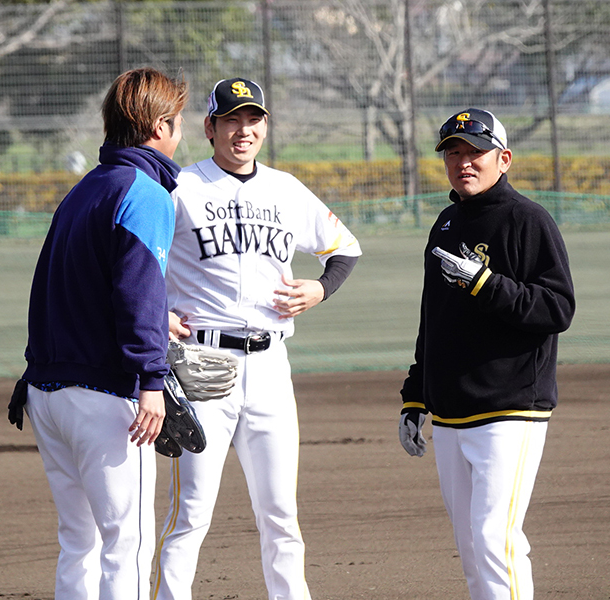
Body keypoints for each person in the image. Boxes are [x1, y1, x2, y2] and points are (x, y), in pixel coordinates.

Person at [151, 77, 362, 600]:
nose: (243, 130)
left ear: (264, 126)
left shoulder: (286, 189)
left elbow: (345, 248)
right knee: (191, 512)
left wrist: (320, 287)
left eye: (253, 119)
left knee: (280, 513)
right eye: (231, 120)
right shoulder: (180, 188)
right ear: (210, 127)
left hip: (270, 367)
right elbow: (135, 264)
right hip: (201, 363)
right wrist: (155, 315)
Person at [14, 67, 188, 600]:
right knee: (126, 545)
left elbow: (73, 289)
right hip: (106, 398)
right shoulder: (145, 192)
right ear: (159, 126)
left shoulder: (84, 189)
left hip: (48, 392)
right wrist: (152, 381)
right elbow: (136, 292)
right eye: (177, 121)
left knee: (79, 543)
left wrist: (158, 322)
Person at [398, 108, 575, 600]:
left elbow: (558, 307)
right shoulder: (447, 221)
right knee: (472, 548)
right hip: (452, 412)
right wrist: (416, 394)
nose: (464, 162)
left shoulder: (528, 219)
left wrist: (486, 284)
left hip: (510, 407)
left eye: (476, 151)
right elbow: (432, 318)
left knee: (495, 540)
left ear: (505, 158)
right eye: (454, 152)